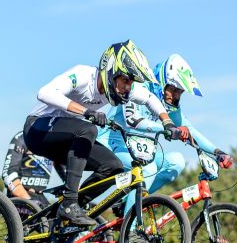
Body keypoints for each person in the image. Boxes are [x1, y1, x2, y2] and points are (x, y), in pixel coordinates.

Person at [22, 40, 182, 227]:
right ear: (111, 72)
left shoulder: (121, 87)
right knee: (88, 129)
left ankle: (69, 210)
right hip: (37, 130)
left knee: (113, 166)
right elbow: (44, 93)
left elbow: (149, 99)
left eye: (130, 83)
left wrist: (167, 122)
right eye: (125, 81)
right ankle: (69, 203)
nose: (128, 88)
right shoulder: (83, 75)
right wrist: (85, 111)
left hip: (66, 139)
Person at [97, 53, 233, 215]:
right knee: (148, 168)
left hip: (139, 152)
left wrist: (217, 152)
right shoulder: (139, 88)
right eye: (173, 90)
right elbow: (132, 123)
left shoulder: (169, 104)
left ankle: (130, 201)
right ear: (163, 82)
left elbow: (189, 130)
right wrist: (166, 128)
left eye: (179, 92)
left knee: (177, 161)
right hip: (111, 143)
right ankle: (132, 227)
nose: (175, 95)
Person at [1, 131, 65, 207]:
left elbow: (68, 174)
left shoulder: (54, 140)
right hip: (20, 197)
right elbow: (8, 174)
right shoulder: (22, 138)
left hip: (40, 196)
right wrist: (29, 201)